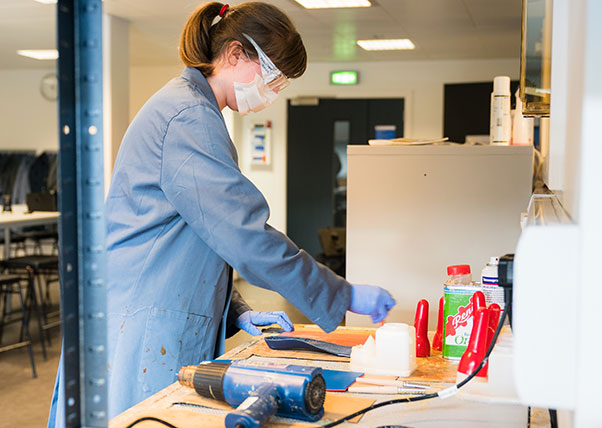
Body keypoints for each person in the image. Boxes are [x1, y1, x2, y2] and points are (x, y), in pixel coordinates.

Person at [47, 2, 395, 426]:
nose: (273, 91)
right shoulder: (188, 116)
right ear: (234, 55)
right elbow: (245, 235)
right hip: (140, 324)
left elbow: (195, 235)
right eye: (272, 77)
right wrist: (342, 294)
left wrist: (236, 309)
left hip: (150, 314)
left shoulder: (194, 111)